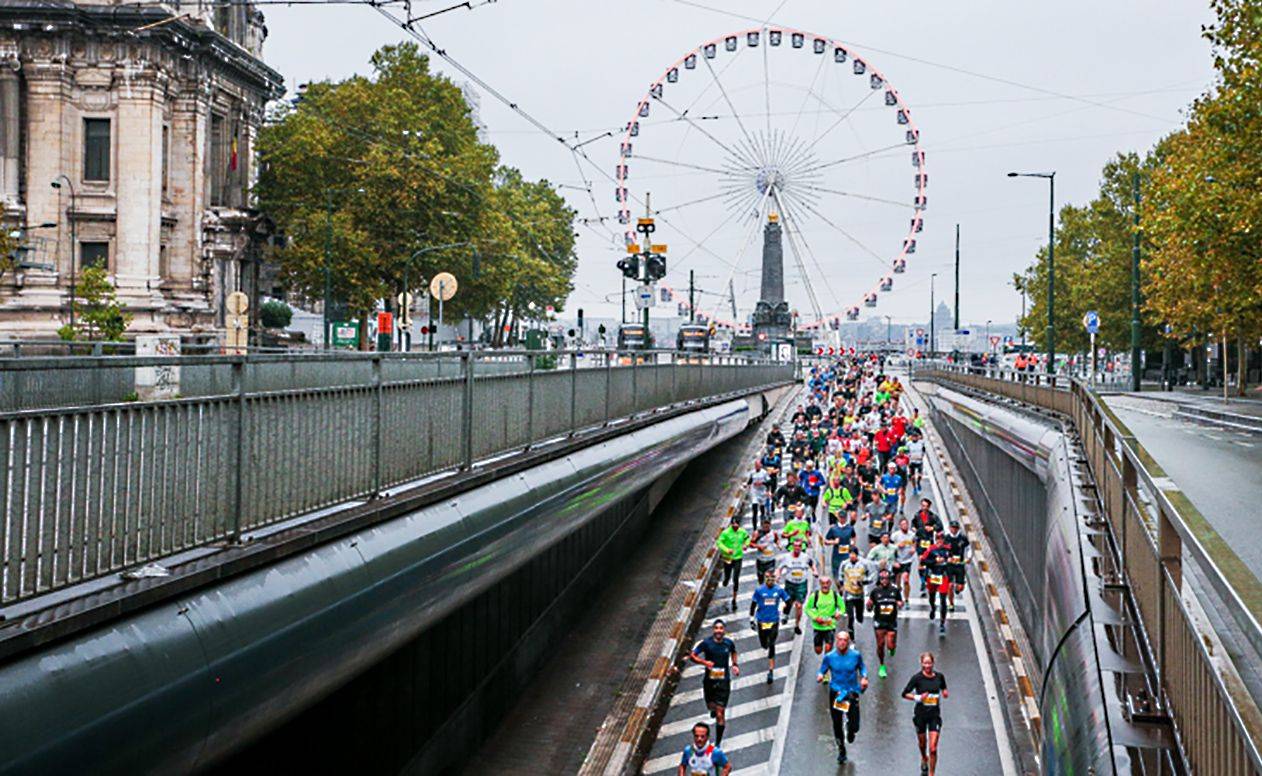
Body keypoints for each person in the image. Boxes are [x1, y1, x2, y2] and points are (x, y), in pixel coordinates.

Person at [816, 630, 869, 764]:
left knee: (855, 724)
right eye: (839, 639)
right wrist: (820, 675)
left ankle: (851, 730)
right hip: (837, 693)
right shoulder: (829, 657)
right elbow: (822, 669)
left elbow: (862, 668)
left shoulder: (855, 655)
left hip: (851, 692)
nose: (842, 642)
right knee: (836, 722)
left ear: (849, 641)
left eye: (845, 640)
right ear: (836, 640)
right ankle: (841, 749)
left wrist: (864, 677)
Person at [688, 620, 740, 744]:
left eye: (721, 628)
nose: (718, 631)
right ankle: (712, 709)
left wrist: (735, 665)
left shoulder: (729, 643)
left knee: (720, 713)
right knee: (711, 706)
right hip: (709, 682)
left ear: (724, 630)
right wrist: (704, 663)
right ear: (713, 630)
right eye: (716, 628)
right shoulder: (706, 644)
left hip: (723, 682)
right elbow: (692, 656)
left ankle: (718, 742)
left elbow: (734, 652)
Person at [902, 652, 949, 776]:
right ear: (921, 664)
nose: (927, 666)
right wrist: (918, 698)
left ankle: (932, 773)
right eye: (925, 663)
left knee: (933, 748)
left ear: (933, 663)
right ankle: (923, 757)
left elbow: (943, 687)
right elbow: (904, 694)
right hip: (920, 715)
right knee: (923, 744)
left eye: (929, 663)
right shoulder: (917, 678)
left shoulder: (939, 677)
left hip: (934, 716)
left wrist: (944, 692)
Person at [749, 570, 791, 684]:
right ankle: (765, 644)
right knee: (764, 644)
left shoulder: (779, 590)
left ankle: (771, 671)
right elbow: (753, 604)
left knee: (772, 644)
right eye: (767, 577)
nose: (770, 580)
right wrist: (751, 620)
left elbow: (788, 600)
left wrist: (786, 615)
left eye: (772, 578)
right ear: (764, 578)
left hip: (774, 621)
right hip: (761, 621)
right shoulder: (759, 590)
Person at [867, 568, 903, 677]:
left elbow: (900, 601)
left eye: (886, 578)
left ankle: (892, 648)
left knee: (890, 645)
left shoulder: (895, 590)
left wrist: (900, 603)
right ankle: (882, 665)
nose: (884, 581)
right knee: (880, 644)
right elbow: (870, 607)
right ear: (879, 579)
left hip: (891, 621)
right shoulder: (875, 591)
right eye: (882, 578)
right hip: (879, 620)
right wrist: (868, 605)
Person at [776, 539, 817, 634]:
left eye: (799, 546)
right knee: (788, 603)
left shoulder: (805, 557)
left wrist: (815, 571)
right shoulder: (787, 557)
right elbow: (780, 568)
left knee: (799, 606)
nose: (797, 548)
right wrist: (777, 575)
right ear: (792, 547)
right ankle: (786, 614)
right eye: (795, 546)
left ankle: (797, 625)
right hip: (790, 584)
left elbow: (812, 564)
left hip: (801, 584)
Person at [920, 532, 952, 635]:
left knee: (943, 600)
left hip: (943, 576)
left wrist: (949, 560)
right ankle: (933, 608)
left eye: (941, 539)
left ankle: (942, 623)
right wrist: (934, 561)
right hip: (932, 576)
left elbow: (953, 559)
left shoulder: (948, 549)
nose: (939, 541)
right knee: (932, 597)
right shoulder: (931, 549)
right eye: (938, 539)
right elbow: (923, 561)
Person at [715, 517, 750, 612]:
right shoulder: (726, 533)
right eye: (733, 524)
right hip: (728, 558)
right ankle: (726, 580)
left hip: (738, 557)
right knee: (727, 576)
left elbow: (747, 538)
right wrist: (726, 550)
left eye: (737, 524)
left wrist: (746, 545)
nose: (735, 526)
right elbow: (719, 542)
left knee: (736, 578)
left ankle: (734, 599)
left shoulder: (742, 532)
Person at [804, 576, 845, 655]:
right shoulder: (815, 595)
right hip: (818, 627)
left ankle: (826, 663)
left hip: (830, 626)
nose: (825, 585)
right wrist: (816, 618)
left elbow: (842, 607)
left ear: (830, 584)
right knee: (818, 651)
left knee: (828, 648)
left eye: (827, 583)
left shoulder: (834, 595)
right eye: (823, 583)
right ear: (820, 584)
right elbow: (807, 609)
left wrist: (839, 613)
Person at [839, 546, 873, 635]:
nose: (852, 556)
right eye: (850, 554)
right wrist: (842, 586)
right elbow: (840, 576)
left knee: (859, 617)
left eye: (854, 554)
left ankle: (859, 618)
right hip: (848, 594)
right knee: (850, 617)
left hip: (859, 594)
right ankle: (851, 636)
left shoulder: (864, 564)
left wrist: (863, 582)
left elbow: (871, 576)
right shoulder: (844, 564)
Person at [942, 520, 971, 612]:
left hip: (959, 564)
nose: (953, 530)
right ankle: (951, 604)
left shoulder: (962, 538)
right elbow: (943, 550)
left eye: (955, 528)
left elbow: (968, 548)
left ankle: (959, 586)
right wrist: (947, 558)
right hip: (950, 565)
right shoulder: (946, 539)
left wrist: (968, 557)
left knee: (960, 587)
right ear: (949, 528)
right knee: (950, 585)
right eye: (952, 528)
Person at [822, 509, 857, 580]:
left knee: (847, 574)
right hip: (836, 555)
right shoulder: (833, 529)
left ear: (846, 518)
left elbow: (854, 536)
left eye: (844, 517)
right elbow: (825, 541)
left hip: (847, 554)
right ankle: (839, 588)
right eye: (841, 517)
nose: (842, 519)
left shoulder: (850, 528)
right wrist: (833, 542)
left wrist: (853, 544)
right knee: (836, 575)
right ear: (838, 517)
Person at [890, 517, 918, 600]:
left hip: (907, 560)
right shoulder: (895, 535)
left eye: (906, 524)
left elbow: (914, 542)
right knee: (897, 579)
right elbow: (890, 546)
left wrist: (913, 548)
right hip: (897, 559)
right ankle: (898, 591)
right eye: (903, 524)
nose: (905, 526)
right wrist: (897, 546)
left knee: (906, 579)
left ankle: (906, 599)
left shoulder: (911, 534)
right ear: (900, 526)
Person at [751, 517, 781, 583]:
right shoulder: (757, 533)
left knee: (769, 578)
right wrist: (758, 546)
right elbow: (751, 544)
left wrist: (779, 545)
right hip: (761, 560)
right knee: (761, 580)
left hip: (770, 560)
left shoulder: (774, 533)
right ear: (762, 525)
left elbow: (776, 540)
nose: (766, 527)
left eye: (768, 525)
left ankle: (769, 591)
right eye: (764, 525)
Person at [747, 460, 772, 524]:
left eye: (758, 465)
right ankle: (755, 527)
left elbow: (769, 482)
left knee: (762, 508)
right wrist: (747, 485)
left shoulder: (764, 472)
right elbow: (750, 481)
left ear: (760, 465)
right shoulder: (752, 473)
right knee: (754, 509)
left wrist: (762, 483)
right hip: (755, 492)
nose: (757, 467)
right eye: (756, 466)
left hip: (762, 492)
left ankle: (762, 521)